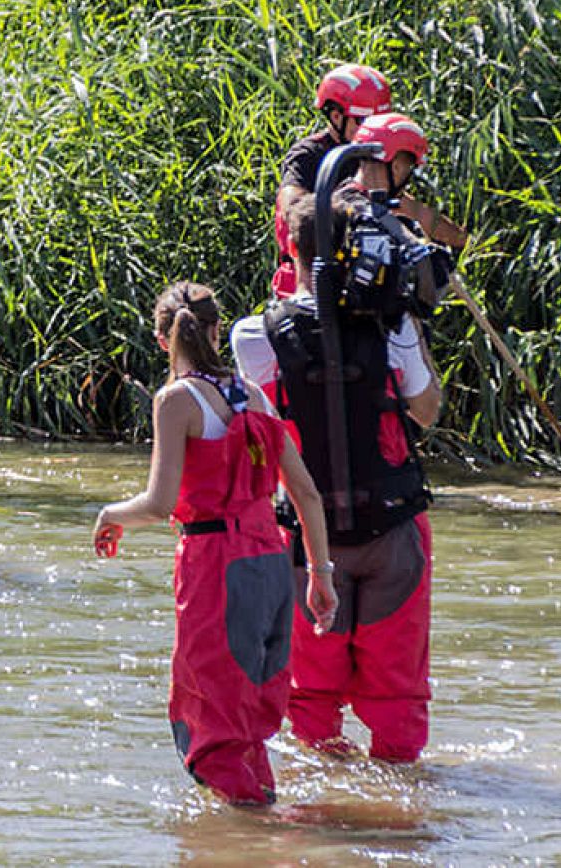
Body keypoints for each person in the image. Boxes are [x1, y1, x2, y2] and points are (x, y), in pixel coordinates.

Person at [232, 115, 444, 763]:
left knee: (310, 696)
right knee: (398, 696)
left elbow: (256, 426)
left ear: (292, 252)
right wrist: (403, 315)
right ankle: (400, 805)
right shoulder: (392, 327)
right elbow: (427, 412)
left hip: (304, 537)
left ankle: (324, 807)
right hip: (392, 528)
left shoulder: (254, 336)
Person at [93, 282, 336, 806]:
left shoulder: (175, 401)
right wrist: (321, 574)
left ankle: (250, 832)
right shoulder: (256, 396)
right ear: (216, 331)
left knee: (212, 723)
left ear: (163, 340)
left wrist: (111, 515)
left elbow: (159, 504)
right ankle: (262, 822)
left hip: (216, 565)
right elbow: (307, 494)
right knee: (251, 718)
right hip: (272, 564)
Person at [271, 64, 465, 298]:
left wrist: (462, 240)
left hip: (358, 282)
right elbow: (292, 209)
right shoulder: (308, 155)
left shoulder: (373, 155)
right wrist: (350, 206)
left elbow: (411, 208)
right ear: (336, 116)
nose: (373, 128)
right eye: (364, 121)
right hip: (306, 281)